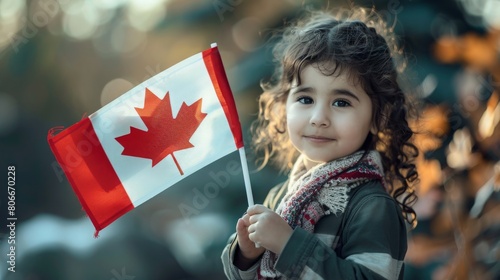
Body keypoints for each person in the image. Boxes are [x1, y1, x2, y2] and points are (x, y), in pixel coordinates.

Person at [221, 7, 419, 280]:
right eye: (305, 99)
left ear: (378, 117)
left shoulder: (371, 206)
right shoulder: (283, 196)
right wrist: (246, 254)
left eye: (341, 102)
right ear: (283, 106)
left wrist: (289, 245)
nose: (319, 118)